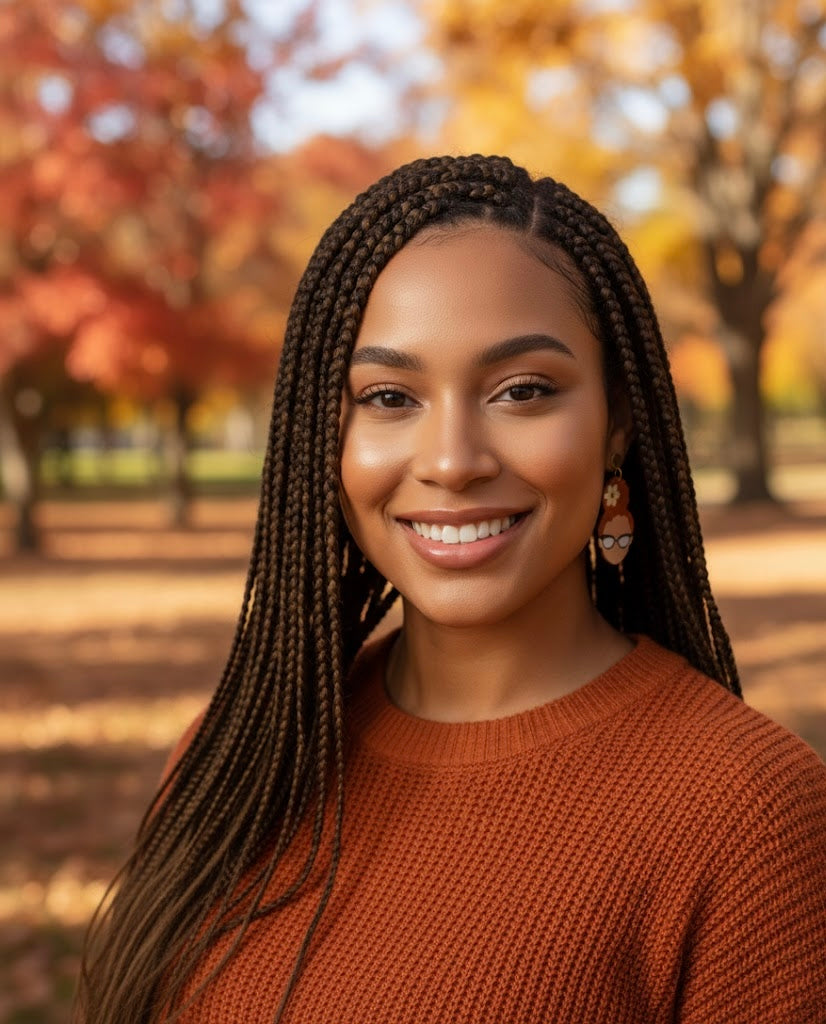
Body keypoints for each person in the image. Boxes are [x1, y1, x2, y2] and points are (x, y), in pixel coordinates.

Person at [76, 155, 826, 1023]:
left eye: (523, 391)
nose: (450, 462)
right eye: (390, 396)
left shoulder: (751, 819)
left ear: (616, 420)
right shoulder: (235, 762)